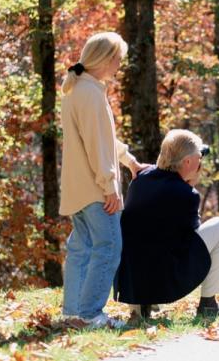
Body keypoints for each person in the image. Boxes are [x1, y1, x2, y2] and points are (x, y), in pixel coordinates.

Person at [60, 32, 148, 328]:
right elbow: (98, 147)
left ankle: (72, 313)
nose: (119, 66)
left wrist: (130, 161)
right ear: (107, 58)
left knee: (81, 249)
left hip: (76, 189)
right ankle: (90, 315)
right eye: (118, 60)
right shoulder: (91, 94)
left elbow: (103, 138)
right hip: (96, 189)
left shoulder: (77, 90)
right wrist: (110, 187)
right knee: (109, 247)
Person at [114, 129, 219, 318]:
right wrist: (190, 186)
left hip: (132, 284)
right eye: (198, 157)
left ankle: (139, 308)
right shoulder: (186, 194)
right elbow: (191, 243)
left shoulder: (139, 179)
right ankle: (208, 304)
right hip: (164, 283)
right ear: (187, 162)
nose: (200, 162)